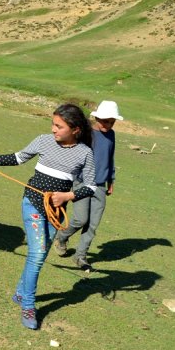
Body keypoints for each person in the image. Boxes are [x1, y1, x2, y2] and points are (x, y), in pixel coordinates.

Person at [0, 104, 97, 330]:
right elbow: (18, 158)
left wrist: (67, 196)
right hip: (32, 202)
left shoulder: (85, 153)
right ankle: (28, 305)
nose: (53, 130)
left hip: (56, 211)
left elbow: (90, 187)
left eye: (59, 126)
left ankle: (20, 293)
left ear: (75, 130)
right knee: (37, 254)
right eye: (53, 124)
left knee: (39, 254)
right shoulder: (43, 140)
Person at [53, 100, 123, 270]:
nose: (108, 125)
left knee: (92, 225)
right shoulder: (86, 133)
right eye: (105, 121)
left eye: (112, 122)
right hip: (82, 182)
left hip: (100, 185)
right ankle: (61, 237)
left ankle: (80, 256)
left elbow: (110, 157)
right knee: (80, 219)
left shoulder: (111, 134)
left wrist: (110, 179)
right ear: (97, 117)